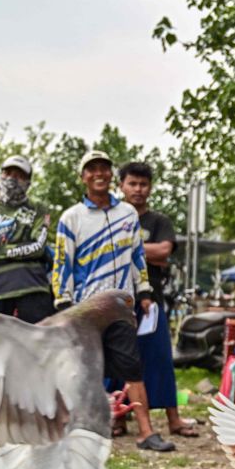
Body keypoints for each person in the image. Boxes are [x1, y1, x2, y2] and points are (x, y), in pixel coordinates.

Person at [53, 150, 173, 452]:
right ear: (83, 177)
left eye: (104, 169)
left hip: (120, 304)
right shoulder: (71, 217)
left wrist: (144, 293)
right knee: (81, 368)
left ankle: (146, 432)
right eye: (91, 169)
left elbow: (137, 259)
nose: (98, 174)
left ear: (110, 176)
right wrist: (62, 303)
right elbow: (61, 264)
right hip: (85, 306)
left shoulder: (128, 215)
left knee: (132, 367)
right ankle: (73, 430)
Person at [117, 160, 198, 439]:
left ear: (150, 188)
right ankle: (119, 418)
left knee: (160, 357)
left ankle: (173, 419)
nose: (138, 189)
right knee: (119, 359)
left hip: (152, 300)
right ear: (122, 186)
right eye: (132, 183)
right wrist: (144, 252)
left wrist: (124, 247)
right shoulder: (114, 217)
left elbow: (164, 251)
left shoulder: (159, 221)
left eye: (143, 184)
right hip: (118, 299)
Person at [0, 156, 56, 324]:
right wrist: (18, 249)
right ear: (0, 174)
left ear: (28, 181)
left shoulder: (39, 208)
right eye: (8, 172)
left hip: (33, 287)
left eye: (19, 175)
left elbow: (38, 247)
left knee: (37, 346)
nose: (12, 178)